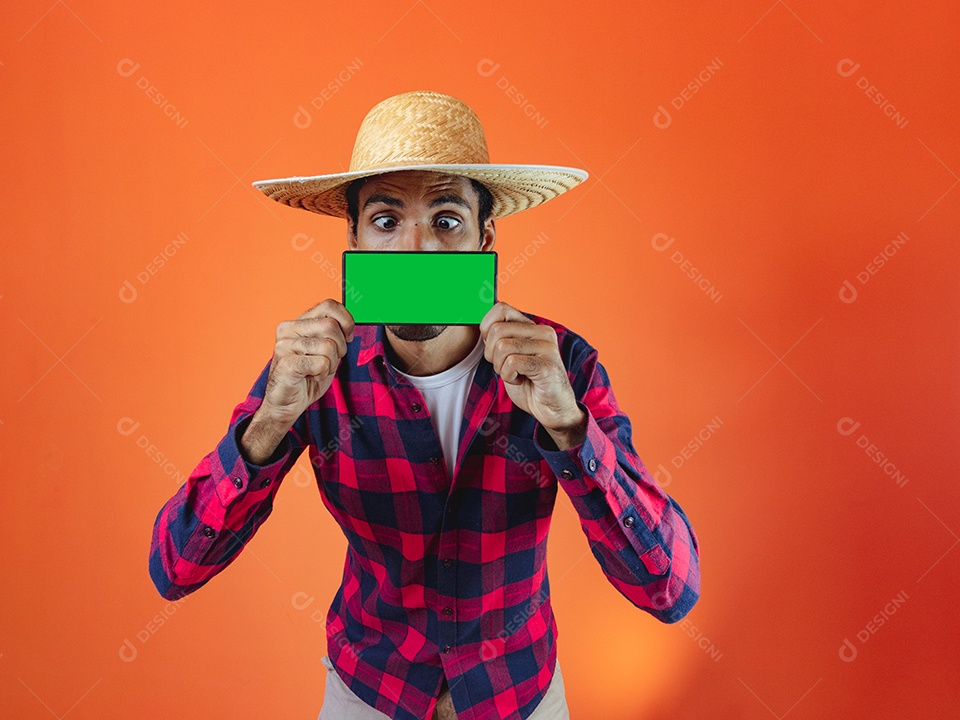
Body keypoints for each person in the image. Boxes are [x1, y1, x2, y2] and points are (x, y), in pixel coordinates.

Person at [149, 90, 701, 720]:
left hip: (517, 694)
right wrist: (268, 423)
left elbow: (670, 589)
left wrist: (570, 429)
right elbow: (176, 567)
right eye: (386, 221)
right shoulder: (312, 370)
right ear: (352, 235)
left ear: (484, 236)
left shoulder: (562, 364)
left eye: (446, 220)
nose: (418, 246)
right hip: (368, 690)